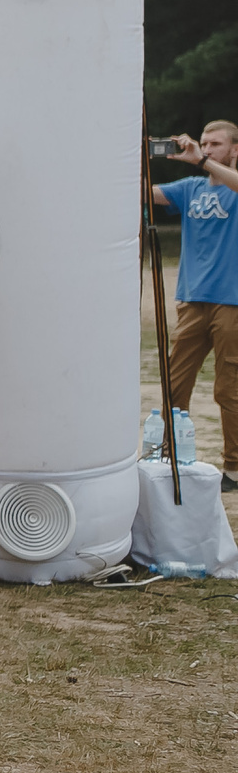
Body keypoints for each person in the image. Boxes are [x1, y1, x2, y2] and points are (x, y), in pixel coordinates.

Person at [151, 120, 238, 493]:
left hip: (232, 302)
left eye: (215, 143)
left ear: (234, 149)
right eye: (204, 142)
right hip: (192, 299)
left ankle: (234, 467)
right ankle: (165, 455)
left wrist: (203, 161)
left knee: (229, 388)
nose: (206, 147)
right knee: (175, 382)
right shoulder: (190, 188)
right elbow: (140, 194)